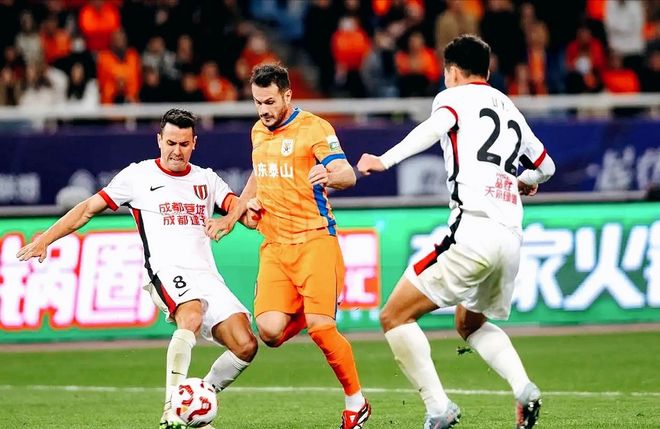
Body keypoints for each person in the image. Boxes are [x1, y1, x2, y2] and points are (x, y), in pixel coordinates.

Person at [357, 35, 555, 429]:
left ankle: (438, 408)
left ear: (451, 72)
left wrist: (384, 159)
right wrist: (524, 180)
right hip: (510, 238)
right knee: (469, 323)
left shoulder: (453, 98)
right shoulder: (510, 107)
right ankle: (523, 388)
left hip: (473, 230)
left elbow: (433, 128)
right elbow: (546, 167)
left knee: (394, 316)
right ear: (488, 70)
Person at [16, 109, 259, 429]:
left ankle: (194, 401)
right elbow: (88, 209)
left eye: (184, 144)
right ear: (159, 140)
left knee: (245, 345)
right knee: (191, 312)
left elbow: (240, 213)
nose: (177, 151)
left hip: (207, 276)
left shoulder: (206, 179)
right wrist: (46, 238)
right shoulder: (138, 176)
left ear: (194, 143)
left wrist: (250, 211)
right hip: (165, 270)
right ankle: (171, 410)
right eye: (170, 143)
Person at [206, 64, 371, 429]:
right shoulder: (258, 132)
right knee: (269, 332)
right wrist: (232, 217)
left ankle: (356, 403)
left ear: (287, 96)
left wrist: (330, 174)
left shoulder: (315, 128)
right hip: (275, 246)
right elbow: (258, 173)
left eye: (269, 102)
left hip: (314, 239)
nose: (263, 110)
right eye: (257, 102)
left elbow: (346, 173)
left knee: (321, 329)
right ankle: (315, 307)